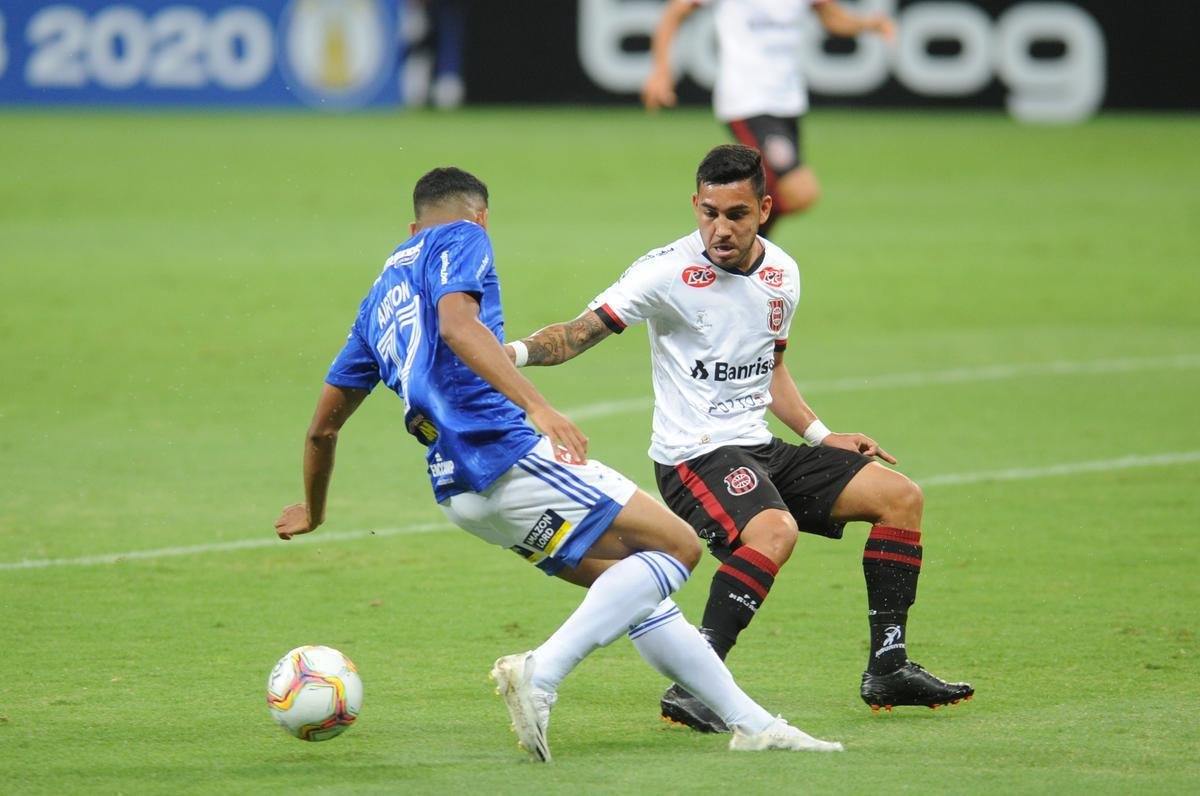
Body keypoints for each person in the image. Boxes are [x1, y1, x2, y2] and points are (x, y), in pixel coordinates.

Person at [273, 165, 845, 760]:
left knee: (634, 588)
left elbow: (322, 429)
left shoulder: (375, 305)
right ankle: (540, 672)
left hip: (459, 493)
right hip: (503, 452)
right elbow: (459, 325)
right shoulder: (464, 235)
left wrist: (313, 511)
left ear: (411, 226)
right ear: (481, 215)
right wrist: (539, 408)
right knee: (678, 548)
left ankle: (751, 724)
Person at [504, 145, 973, 733]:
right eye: (709, 212)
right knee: (773, 531)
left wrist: (821, 434)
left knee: (900, 497)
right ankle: (696, 684)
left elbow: (769, 370)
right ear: (695, 205)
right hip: (692, 455)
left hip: (758, 446)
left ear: (764, 209)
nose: (720, 229)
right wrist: (508, 355)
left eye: (737, 214)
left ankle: (888, 666)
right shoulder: (665, 271)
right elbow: (576, 334)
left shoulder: (782, 274)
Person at [641, 0, 895, 237]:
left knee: (767, 192)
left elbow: (831, 17)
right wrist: (661, 70)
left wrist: (868, 25)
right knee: (801, 191)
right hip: (747, 100)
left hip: (788, 102)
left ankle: (735, 252)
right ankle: (727, 247)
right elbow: (675, 11)